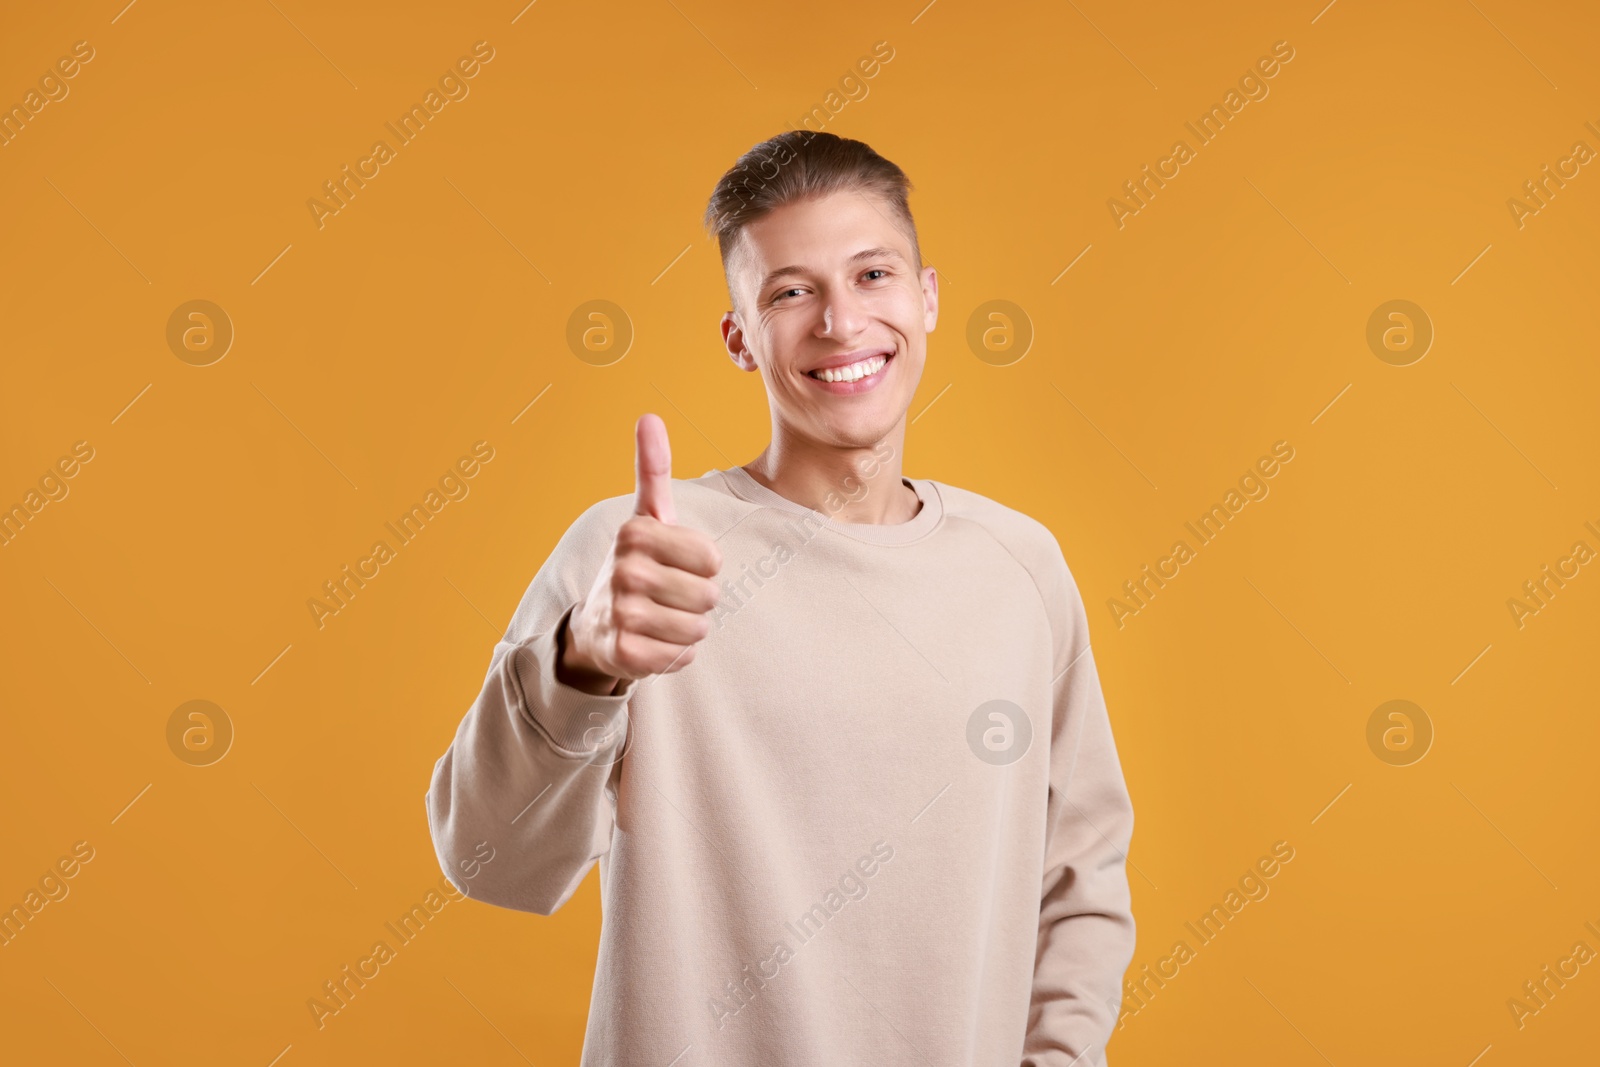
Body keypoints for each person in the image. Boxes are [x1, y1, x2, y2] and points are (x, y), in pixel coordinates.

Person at [426, 129, 1136, 1066]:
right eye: (791, 291)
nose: (841, 323)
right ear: (739, 338)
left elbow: (1080, 878)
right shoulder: (637, 560)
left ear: (927, 301)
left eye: (873, 275)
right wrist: (580, 663)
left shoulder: (1021, 566)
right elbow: (490, 862)